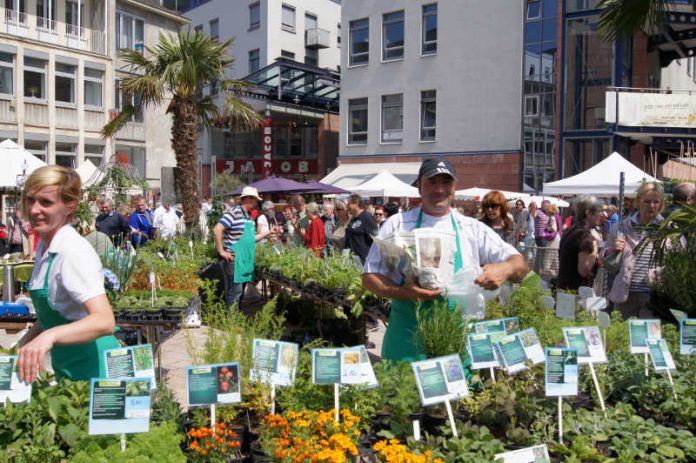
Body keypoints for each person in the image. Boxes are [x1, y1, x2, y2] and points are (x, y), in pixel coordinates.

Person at [362, 158, 527, 363]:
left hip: (456, 342)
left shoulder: (471, 228)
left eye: (446, 182)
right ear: (419, 186)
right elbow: (369, 276)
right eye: (431, 182)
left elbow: (520, 264)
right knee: (401, 393)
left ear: (454, 187)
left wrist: (505, 268)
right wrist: (401, 292)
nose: (439, 189)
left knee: (457, 392)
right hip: (406, 340)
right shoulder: (397, 224)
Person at [16, 165, 119, 383]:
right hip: (71, 369)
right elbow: (55, 313)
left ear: (69, 206)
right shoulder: (46, 247)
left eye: (46, 202)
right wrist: (26, 341)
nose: (34, 210)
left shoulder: (72, 251)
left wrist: (49, 337)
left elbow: (104, 321)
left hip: (95, 371)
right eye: (30, 199)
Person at [602, 182, 665, 319]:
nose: (652, 206)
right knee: (622, 335)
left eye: (656, 202)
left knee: (649, 337)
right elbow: (603, 256)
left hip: (653, 296)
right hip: (625, 294)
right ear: (638, 202)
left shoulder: (667, 228)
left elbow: (676, 260)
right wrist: (613, 249)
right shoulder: (622, 227)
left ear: (661, 204)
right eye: (647, 201)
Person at [213, 187, 274, 308]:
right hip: (235, 261)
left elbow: (251, 239)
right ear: (248, 199)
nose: (257, 202)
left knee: (240, 295)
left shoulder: (249, 218)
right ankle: (231, 324)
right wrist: (221, 251)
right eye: (255, 200)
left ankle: (236, 321)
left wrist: (269, 232)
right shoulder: (234, 212)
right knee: (234, 294)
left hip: (246, 262)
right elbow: (217, 229)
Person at [557, 195, 604, 291]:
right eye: (599, 211)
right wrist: (595, 248)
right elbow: (584, 270)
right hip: (577, 293)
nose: (602, 215)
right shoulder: (585, 236)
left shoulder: (571, 229)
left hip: (563, 288)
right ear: (588, 213)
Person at [345, 194, 378, 265]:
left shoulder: (367, 218)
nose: (347, 207)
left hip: (364, 261)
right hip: (352, 260)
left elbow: (375, 241)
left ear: (356, 204)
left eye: (349, 204)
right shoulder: (353, 218)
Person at [540, 203, 562, 281]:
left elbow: (553, 229)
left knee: (548, 257)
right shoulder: (558, 217)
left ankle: (546, 277)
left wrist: (547, 227)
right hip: (557, 238)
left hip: (553, 239)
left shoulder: (552, 218)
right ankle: (558, 273)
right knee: (555, 257)